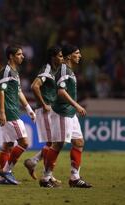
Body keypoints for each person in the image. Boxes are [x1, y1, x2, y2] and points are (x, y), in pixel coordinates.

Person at [50, 44, 92, 188]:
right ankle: (46, 177)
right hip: (62, 112)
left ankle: (75, 178)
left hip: (70, 113)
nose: (80, 56)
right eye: (77, 53)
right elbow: (61, 92)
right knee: (59, 144)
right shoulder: (63, 69)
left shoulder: (69, 70)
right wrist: (77, 105)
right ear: (68, 56)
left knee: (79, 142)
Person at [23, 46, 64, 187]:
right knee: (52, 143)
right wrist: (43, 104)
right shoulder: (47, 69)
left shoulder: (53, 71)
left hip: (51, 109)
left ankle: (35, 162)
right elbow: (35, 86)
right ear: (53, 57)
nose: (62, 58)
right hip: (45, 110)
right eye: (60, 56)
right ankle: (47, 176)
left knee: (53, 143)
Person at [0, 45, 36, 185]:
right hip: (10, 113)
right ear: (11, 56)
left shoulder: (15, 72)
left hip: (13, 111)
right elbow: (1, 91)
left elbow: (19, 92)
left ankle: (3, 178)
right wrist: (2, 112)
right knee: (24, 142)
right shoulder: (6, 71)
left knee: (7, 145)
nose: (22, 56)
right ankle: (6, 171)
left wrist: (29, 109)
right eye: (19, 54)